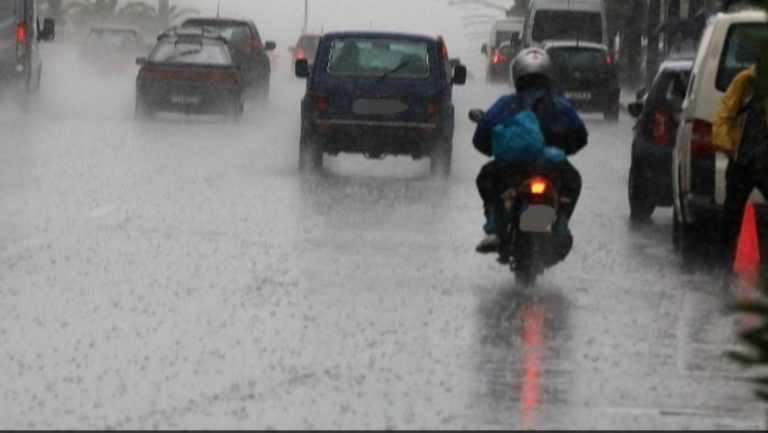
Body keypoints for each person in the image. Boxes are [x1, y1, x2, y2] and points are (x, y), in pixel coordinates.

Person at [472, 48, 589, 254]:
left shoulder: (506, 104)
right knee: (574, 181)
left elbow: (481, 137)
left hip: (513, 169)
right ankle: (562, 224)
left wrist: (494, 148)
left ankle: (494, 225)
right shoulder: (560, 105)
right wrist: (563, 149)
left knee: (486, 178)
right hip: (551, 168)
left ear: (517, 74)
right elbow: (580, 136)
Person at [713, 49, 768, 274]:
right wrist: (726, 146)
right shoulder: (743, 82)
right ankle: (724, 264)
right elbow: (724, 115)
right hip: (741, 159)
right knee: (732, 215)